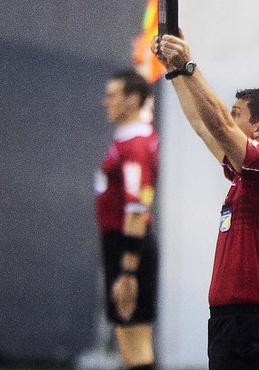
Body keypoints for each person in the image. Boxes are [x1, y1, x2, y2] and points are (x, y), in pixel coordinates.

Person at [152, 32, 259, 370]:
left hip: (252, 324)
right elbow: (203, 124)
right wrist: (174, 72)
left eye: (237, 114)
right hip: (230, 322)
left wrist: (188, 66)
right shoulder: (246, 176)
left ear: (258, 129)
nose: (229, 119)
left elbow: (217, 123)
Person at [95, 69, 159, 370]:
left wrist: (127, 270)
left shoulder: (135, 146)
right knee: (126, 337)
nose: (105, 101)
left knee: (135, 341)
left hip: (129, 247)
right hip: (119, 244)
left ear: (133, 99)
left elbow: (137, 209)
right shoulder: (127, 140)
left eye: (112, 95)